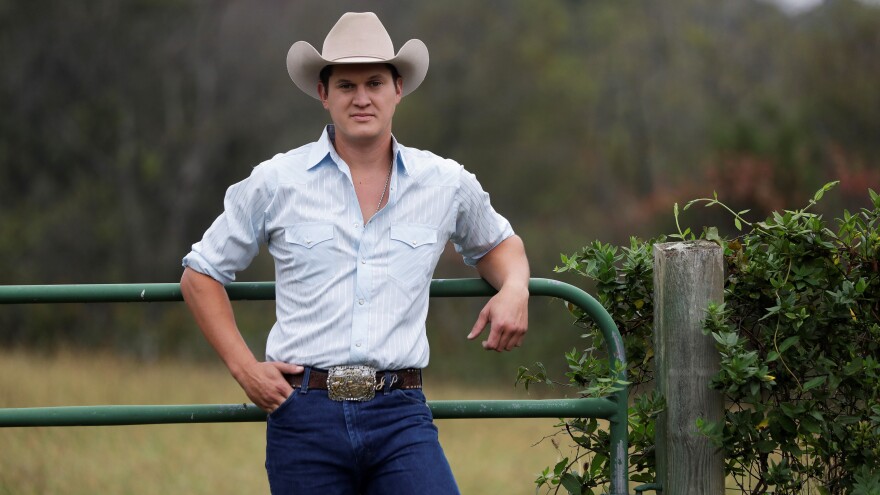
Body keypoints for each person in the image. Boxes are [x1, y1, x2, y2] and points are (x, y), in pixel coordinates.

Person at [180, 11, 529, 495]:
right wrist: (245, 370)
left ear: (397, 89)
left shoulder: (445, 183)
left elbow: (501, 245)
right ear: (323, 94)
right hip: (303, 412)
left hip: (400, 412)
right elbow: (201, 274)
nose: (361, 98)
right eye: (345, 85)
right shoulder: (276, 181)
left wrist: (515, 287)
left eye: (374, 83)